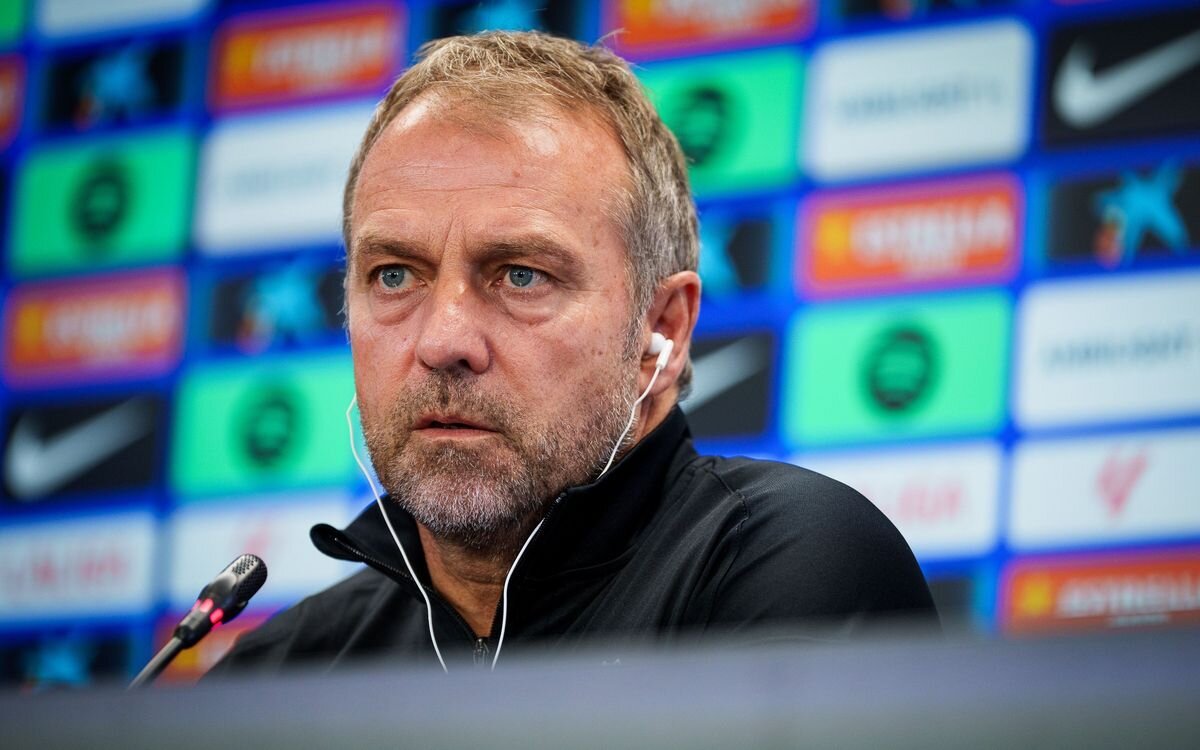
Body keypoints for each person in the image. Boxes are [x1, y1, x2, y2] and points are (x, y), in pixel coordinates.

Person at [209, 31, 935, 675]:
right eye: (395, 275)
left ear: (662, 329)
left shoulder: (786, 564)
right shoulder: (285, 672)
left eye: (522, 275)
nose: (442, 341)